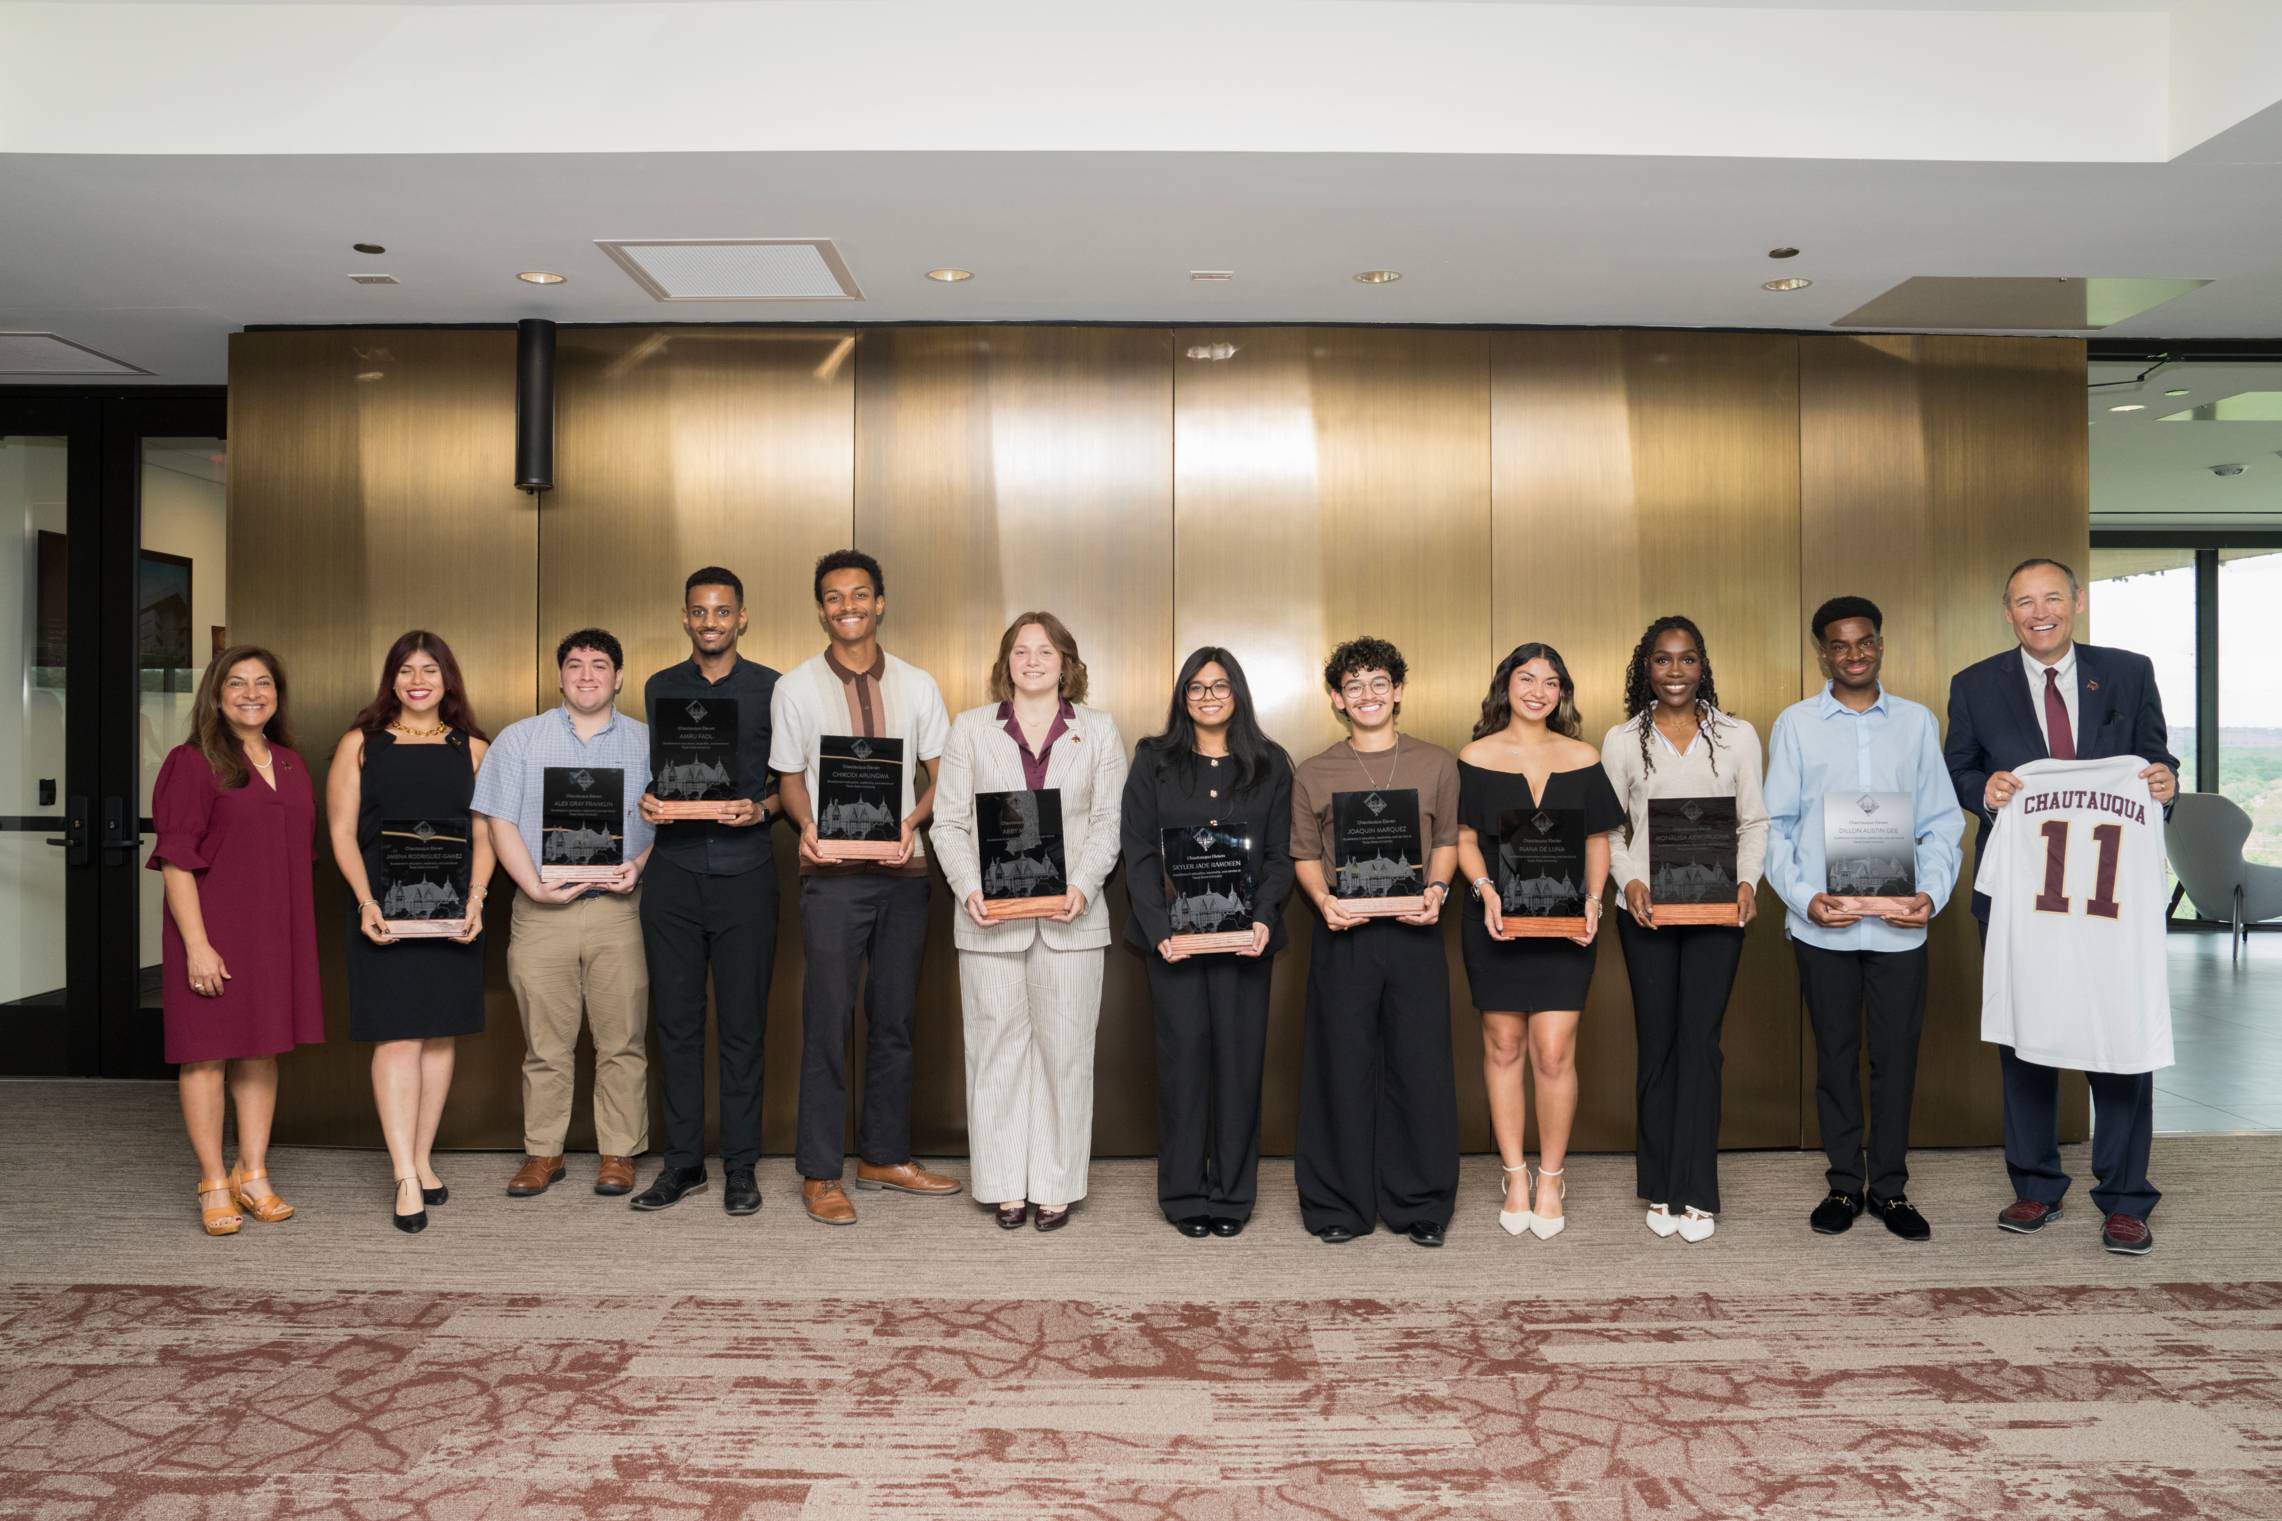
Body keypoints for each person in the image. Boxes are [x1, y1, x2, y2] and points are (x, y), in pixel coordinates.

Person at [1943, 557, 2178, 1255]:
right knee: (2026, 1032)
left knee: (2121, 1032)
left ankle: (2127, 1196)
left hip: (2111, 898)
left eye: (2051, 597)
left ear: (2076, 602)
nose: (2038, 611)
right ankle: (2036, 1183)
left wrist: (2165, 783)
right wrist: (1982, 789)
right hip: (2024, 892)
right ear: (2007, 611)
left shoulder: (2129, 671)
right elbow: (1956, 767)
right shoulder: (1976, 684)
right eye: (2023, 601)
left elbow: (2155, 761)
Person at [771, 549, 961, 1225]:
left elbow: (944, 772)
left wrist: (914, 818)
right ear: (820, 607)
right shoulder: (794, 687)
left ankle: (883, 1153)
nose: (847, 606)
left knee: (895, 1020)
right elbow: (790, 775)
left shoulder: (918, 684)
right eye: (833, 596)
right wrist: (804, 823)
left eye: (859, 595)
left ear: (879, 602)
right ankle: (821, 1171)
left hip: (903, 875)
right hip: (831, 878)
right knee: (826, 1021)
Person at [1763, 597, 1962, 1243]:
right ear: (1823, 652)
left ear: (1881, 644)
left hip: (1901, 925)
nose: (1854, 654)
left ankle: (1893, 1189)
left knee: (1898, 1057)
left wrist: (1929, 894)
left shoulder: (1916, 722)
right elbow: (1776, 828)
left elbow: (1942, 823)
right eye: (1840, 645)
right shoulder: (1795, 724)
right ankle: (1846, 1183)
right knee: (1837, 1056)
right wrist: (1804, 897)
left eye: (1865, 642)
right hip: (1826, 923)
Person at [931, 613, 1127, 1232]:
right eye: (1022, 650)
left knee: (1065, 1055)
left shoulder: (1096, 731)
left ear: (1066, 662)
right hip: (991, 922)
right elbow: (949, 824)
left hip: (1071, 920)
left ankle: (1054, 1182)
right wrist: (969, 889)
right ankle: (1003, 1182)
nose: (1034, 660)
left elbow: (1108, 823)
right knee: (995, 1053)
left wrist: (1081, 884)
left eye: (1046, 651)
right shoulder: (971, 730)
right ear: (1006, 661)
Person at [469, 628, 654, 1201]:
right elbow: (498, 820)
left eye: (600, 665)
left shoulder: (651, 744)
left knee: (621, 1040)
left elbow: (672, 819)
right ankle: (542, 1152)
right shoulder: (518, 740)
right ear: (560, 676)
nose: (587, 675)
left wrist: (640, 864)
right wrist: (532, 885)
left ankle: (617, 1153)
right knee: (545, 1043)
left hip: (618, 911)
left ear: (618, 677)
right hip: (539, 910)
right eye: (575, 665)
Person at [1291, 635, 1461, 1248]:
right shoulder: (1314, 772)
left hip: (1416, 932)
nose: (1367, 695)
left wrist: (1439, 891)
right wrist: (1323, 902)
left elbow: (1445, 841)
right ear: (1338, 698)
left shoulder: (1437, 764)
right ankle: (1339, 1203)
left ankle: (1420, 1203)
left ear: (1398, 691)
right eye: (1354, 685)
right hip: (1346, 934)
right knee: (1341, 1065)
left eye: (1379, 683)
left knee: (1419, 1068)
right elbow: (1306, 853)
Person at [1602, 615, 1767, 1244]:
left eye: (1688, 659)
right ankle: (1661, 1183)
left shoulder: (1738, 735)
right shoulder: (1621, 740)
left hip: (1719, 911)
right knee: (1659, 1044)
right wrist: (1630, 882)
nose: (1676, 671)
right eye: (1663, 660)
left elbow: (1755, 822)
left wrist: (1748, 882)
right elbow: (1611, 831)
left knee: (1701, 1044)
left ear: (1703, 667)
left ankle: (1697, 1187)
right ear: (1645, 668)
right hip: (1644, 912)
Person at [148, 646, 323, 1236]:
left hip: (274, 931)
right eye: (237, 683)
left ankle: (253, 1172)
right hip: (212, 931)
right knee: (205, 1056)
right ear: (216, 695)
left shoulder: (292, 763)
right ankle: (212, 1179)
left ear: (278, 694)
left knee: (261, 1051)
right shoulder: (192, 762)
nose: (252, 693)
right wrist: (197, 945)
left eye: (264, 682)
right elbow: (175, 861)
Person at [325, 631, 494, 1234]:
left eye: (429, 669)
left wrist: (476, 900)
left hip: (452, 913)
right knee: (398, 1037)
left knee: (439, 1036)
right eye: (405, 670)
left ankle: (423, 1159)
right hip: (382, 911)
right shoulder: (360, 745)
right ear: (391, 679)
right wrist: (366, 900)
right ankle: (402, 1173)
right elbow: (342, 833)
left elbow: (484, 836)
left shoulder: (474, 748)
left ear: (447, 678)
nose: (417, 679)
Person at [1122, 648, 1294, 1239]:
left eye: (1219, 687)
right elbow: (1139, 851)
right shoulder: (1154, 762)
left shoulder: (1271, 764)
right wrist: (1159, 931)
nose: (1208, 697)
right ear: (1182, 697)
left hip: (1247, 941)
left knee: (1240, 1064)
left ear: (1238, 693)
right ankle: (1184, 1191)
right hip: (1174, 945)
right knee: (1184, 1064)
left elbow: (1279, 856)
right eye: (1195, 688)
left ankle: (1232, 1194)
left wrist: (1266, 917)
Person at [1454, 643, 1622, 1242]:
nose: (1538, 690)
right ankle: (1514, 1175)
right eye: (1526, 678)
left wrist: (1596, 899)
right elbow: (1465, 838)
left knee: (1553, 1051)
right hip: (1495, 917)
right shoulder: (1475, 756)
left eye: (1551, 682)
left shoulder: (1583, 755)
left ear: (1562, 693)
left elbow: (1598, 839)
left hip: (1565, 924)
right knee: (1503, 1045)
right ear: (1507, 686)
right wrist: (1482, 889)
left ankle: (1552, 1176)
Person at [629, 568, 783, 1218]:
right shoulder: (660, 686)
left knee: (744, 1027)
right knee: (677, 1025)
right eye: (700, 611)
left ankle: (741, 1168)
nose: (711, 622)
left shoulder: (775, 689)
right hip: (673, 872)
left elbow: (787, 782)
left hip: (747, 870)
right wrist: (648, 802)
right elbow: (657, 773)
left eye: (723, 611)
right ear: (684, 617)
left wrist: (763, 809)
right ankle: (684, 1164)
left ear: (742, 617)